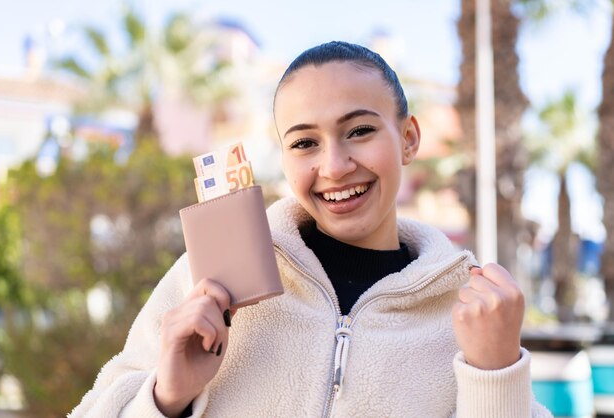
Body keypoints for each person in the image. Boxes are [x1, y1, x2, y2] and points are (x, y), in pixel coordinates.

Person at [70, 41, 552, 418]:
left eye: (359, 130)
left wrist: (497, 373)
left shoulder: (469, 313)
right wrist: (166, 395)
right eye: (304, 142)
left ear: (407, 139)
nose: (335, 166)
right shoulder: (207, 278)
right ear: (283, 156)